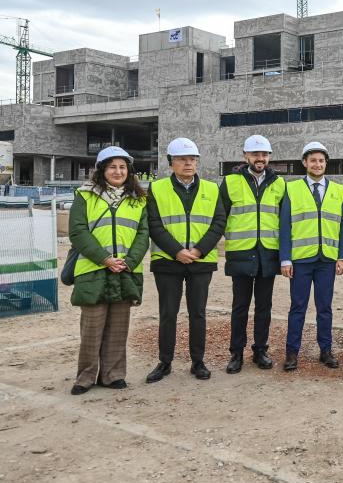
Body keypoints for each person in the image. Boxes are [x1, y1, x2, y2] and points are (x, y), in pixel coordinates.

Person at [68, 146, 149, 395]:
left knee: (118, 326)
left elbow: (143, 234)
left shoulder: (139, 199)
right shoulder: (85, 196)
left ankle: (113, 375)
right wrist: (105, 259)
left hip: (125, 270)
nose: (118, 171)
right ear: (102, 170)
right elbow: (78, 231)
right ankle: (85, 377)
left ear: (129, 171)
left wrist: (130, 261)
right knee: (92, 326)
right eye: (112, 167)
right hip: (93, 270)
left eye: (122, 167)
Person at [145, 138, 226, 383]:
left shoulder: (212, 189)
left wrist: (199, 250)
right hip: (168, 262)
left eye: (192, 159)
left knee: (198, 313)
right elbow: (154, 224)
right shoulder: (157, 189)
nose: (188, 163)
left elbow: (219, 223)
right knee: (168, 313)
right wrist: (177, 251)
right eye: (182, 159)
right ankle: (165, 361)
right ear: (171, 162)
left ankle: (197, 361)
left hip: (201, 262)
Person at [280, 141, 343, 371]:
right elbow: (285, 226)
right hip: (300, 261)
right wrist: (286, 258)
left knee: (325, 308)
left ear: (326, 163)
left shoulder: (338, 190)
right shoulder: (291, 189)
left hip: (327, 261)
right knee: (297, 307)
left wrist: (342, 256)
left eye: (321, 160)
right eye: (313, 160)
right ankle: (292, 353)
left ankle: (326, 350)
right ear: (304, 163)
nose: (317, 164)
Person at [220, 135, 284, 373]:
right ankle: (236, 353)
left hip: (268, 254)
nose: (260, 158)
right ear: (245, 156)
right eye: (256, 154)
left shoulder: (279, 184)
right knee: (240, 307)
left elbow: (283, 220)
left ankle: (260, 350)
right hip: (241, 254)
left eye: (264, 154)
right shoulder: (231, 182)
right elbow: (221, 217)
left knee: (264, 307)